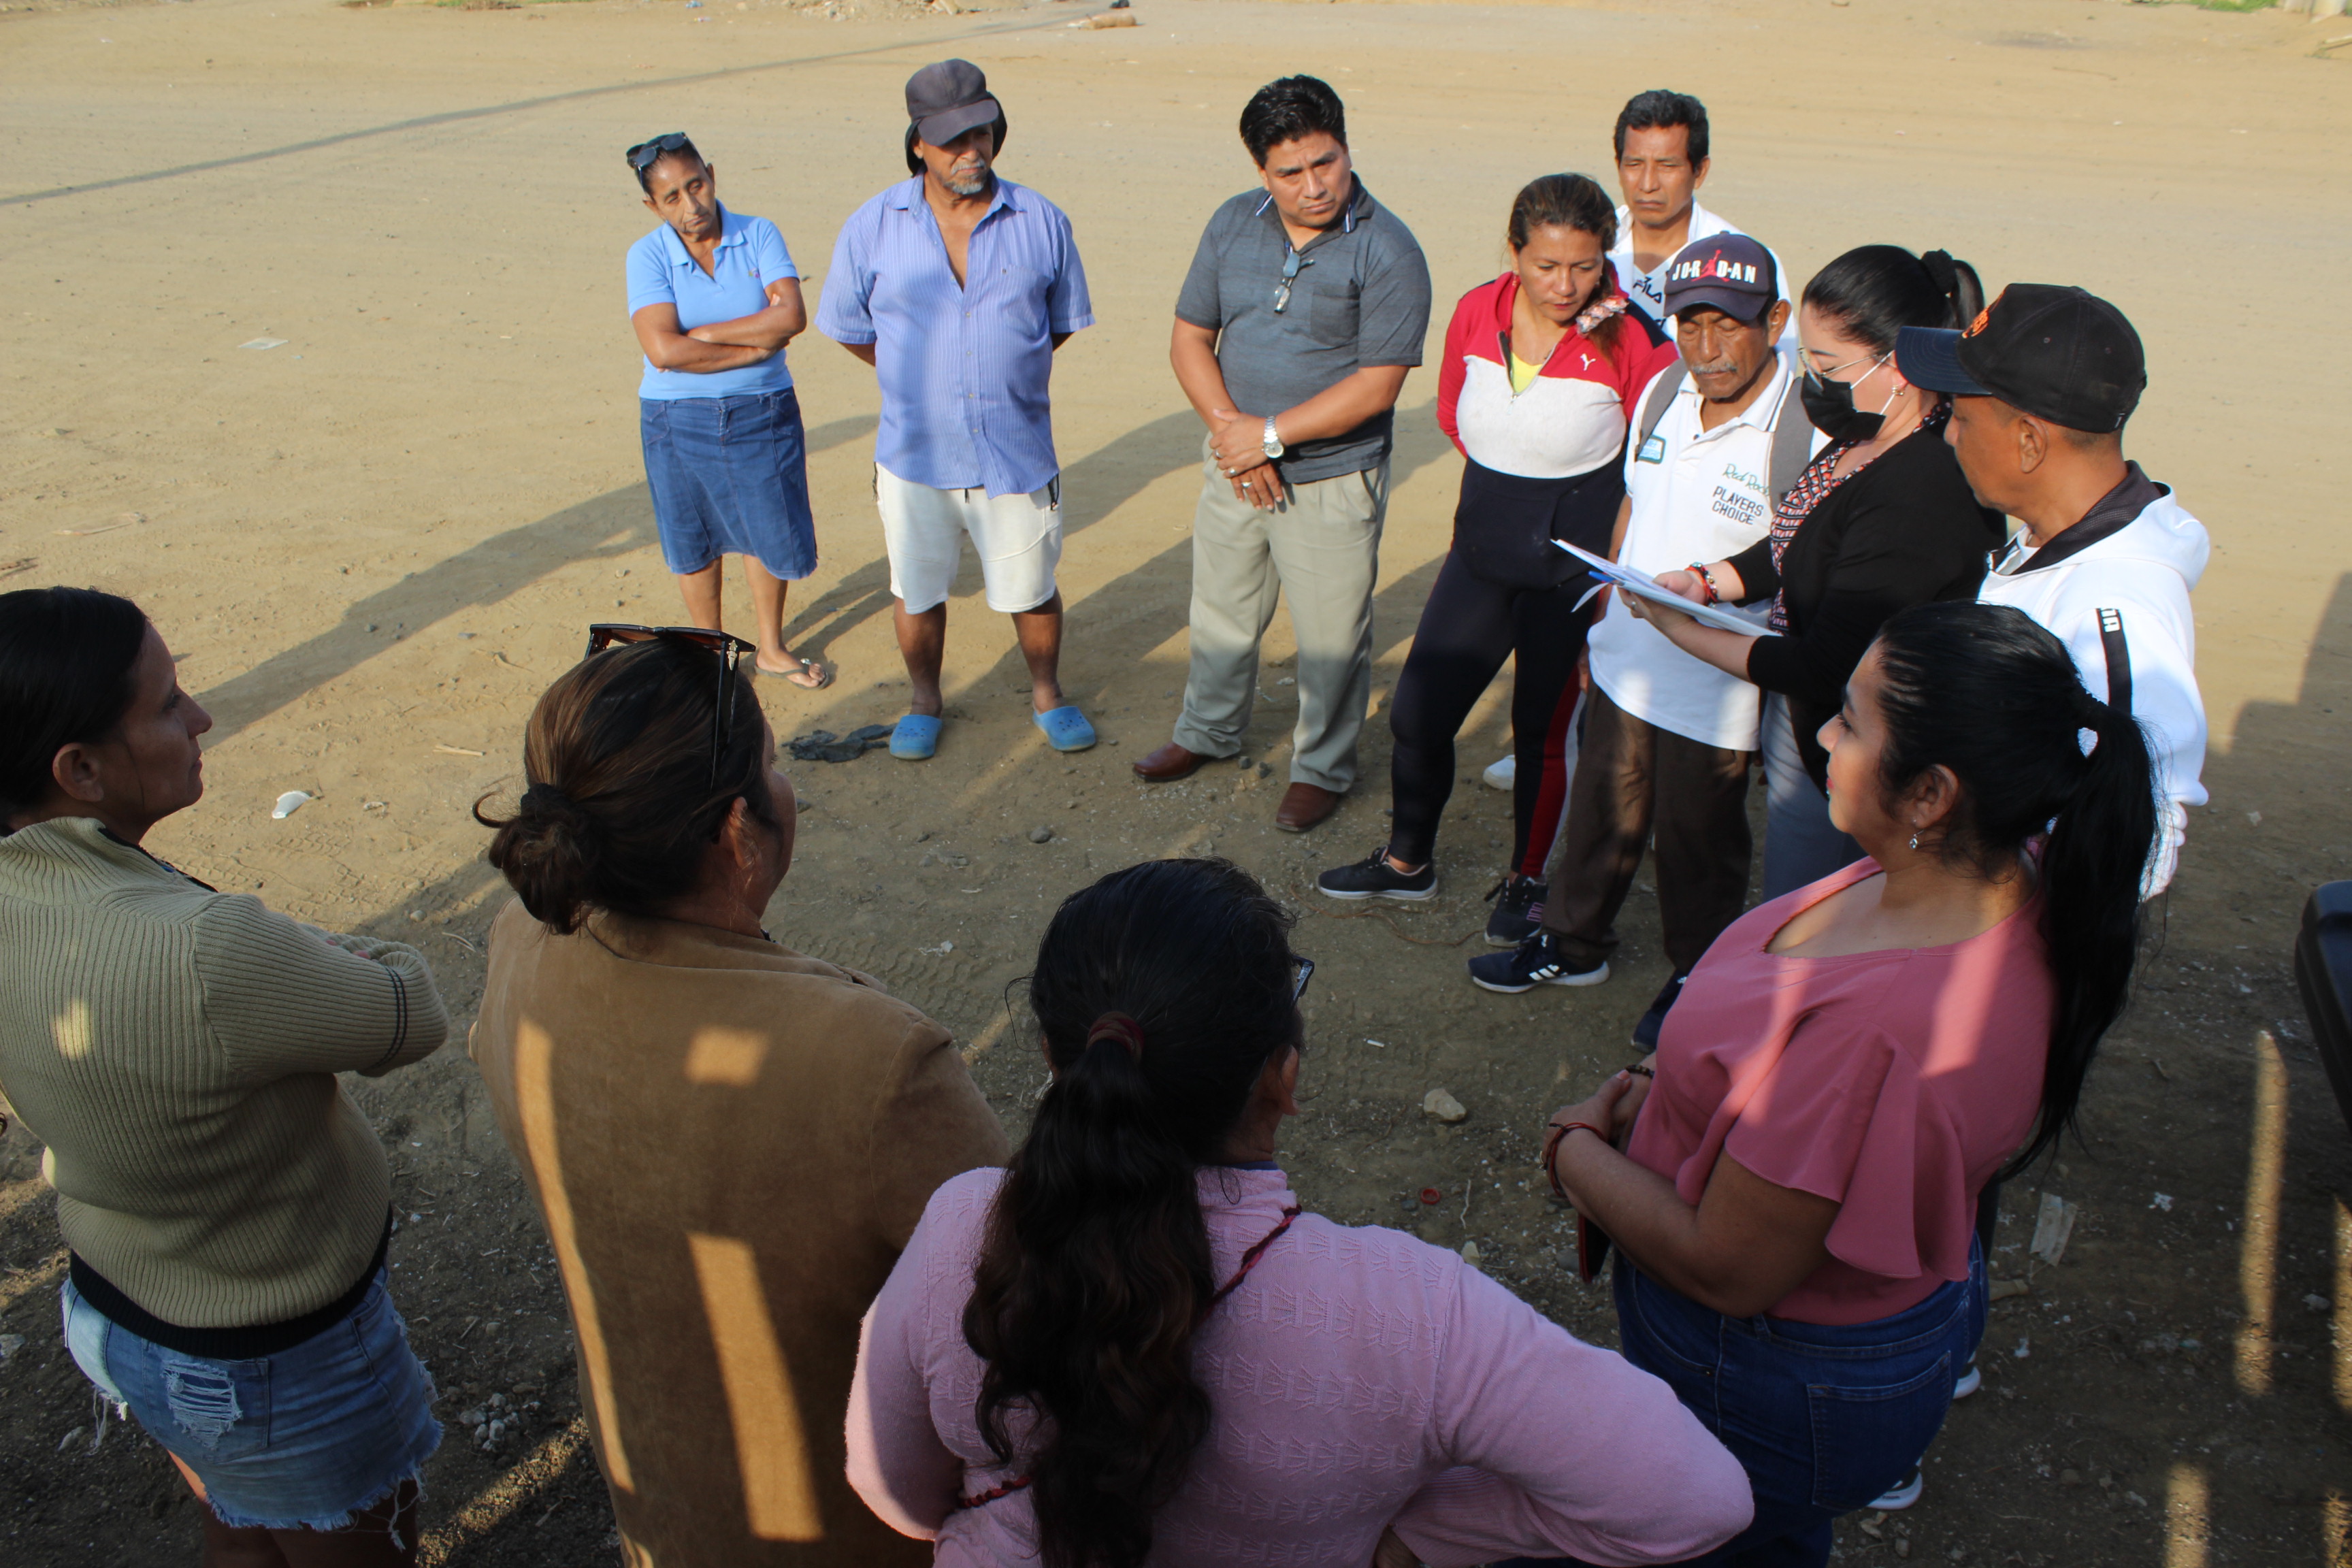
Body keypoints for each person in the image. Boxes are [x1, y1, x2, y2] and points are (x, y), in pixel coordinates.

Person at [845, 856, 1753, 1567]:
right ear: (1283, 1078)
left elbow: (894, 1492)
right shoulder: (1414, 1312)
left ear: (1053, 1058)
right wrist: (1423, 1529)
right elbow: (1698, 1500)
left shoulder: (965, 1228)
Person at [1534, 599, 2160, 1562]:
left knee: (1718, 1538)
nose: (1824, 734)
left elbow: (1729, 1266)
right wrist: (1673, 1080)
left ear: (1932, 795)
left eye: (1852, 722)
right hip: (1855, 1338)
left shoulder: (1875, 1028)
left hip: (1762, 1375)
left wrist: (1572, 1151)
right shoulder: (1998, 878)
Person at [470, 625, 1008, 1567]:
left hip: (656, 1492)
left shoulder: (522, 942)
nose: (785, 785)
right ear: (735, 832)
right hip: (833, 1530)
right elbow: (1026, 1299)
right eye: (773, 764)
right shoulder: (870, 1062)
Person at [0, 587, 449, 1567]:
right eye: (167, 704)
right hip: (271, 1354)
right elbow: (410, 1009)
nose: (201, 717)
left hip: (119, 1307)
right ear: (79, 769)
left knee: (241, 1534)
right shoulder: (209, 950)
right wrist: (299, 945)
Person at [1314, 174, 1676, 947]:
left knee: (1542, 735)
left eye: (1584, 267)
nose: (1565, 286)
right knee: (1416, 716)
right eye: (1546, 266)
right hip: (1481, 556)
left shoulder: (1636, 339)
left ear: (1605, 259)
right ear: (1514, 252)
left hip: (1571, 579)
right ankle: (1408, 861)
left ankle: (1528, 881)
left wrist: (1611, 584)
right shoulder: (1478, 310)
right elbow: (1455, 416)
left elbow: (1657, 469)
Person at [1469, 235, 1807, 1057]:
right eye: (1691, 325)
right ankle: (1573, 941)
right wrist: (1603, 622)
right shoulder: (1662, 390)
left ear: (1776, 322)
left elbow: (1797, 561)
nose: (1707, 348)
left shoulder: (1801, 426)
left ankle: (1698, 974)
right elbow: (1632, 504)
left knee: (1699, 838)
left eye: (1729, 327)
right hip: (1628, 657)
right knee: (1602, 809)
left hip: (1718, 680)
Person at [1627, 246, 2007, 900]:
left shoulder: (1922, 489)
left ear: (1898, 365)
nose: (1812, 381)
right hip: (1809, 731)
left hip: (1865, 755)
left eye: (1828, 366)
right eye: (1808, 360)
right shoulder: (1866, 434)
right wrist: (1707, 581)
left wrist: (1679, 629)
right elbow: (1796, 539)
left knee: (1811, 901)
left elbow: (1821, 665)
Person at [1133, 75, 1433, 834]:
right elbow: (1190, 337)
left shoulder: (1389, 249)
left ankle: (1322, 768)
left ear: (1345, 146)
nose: (1313, 186)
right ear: (1261, 171)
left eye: (1325, 162)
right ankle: (1207, 730)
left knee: (1332, 637)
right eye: (1290, 172)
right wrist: (1236, 435)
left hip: (1332, 477)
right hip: (1234, 459)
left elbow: (1378, 386)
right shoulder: (1233, 222)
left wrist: (1268, 437)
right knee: (1221, 608)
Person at [817, 60, 1097, 762]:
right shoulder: (872, 226)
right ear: (918, 144)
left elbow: (1058, 323)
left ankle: (1047, 694)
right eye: (952, 140)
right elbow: (849, 327)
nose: (972, 151)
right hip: (915, 455)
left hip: (1016, 450)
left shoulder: (1041, 221)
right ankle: (925, 701)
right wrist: (918, 377)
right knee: (917, 592)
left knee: (1032, 589)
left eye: (982, 133)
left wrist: (1004, 366)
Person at [1896, 283, 2206, 895]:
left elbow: (2139, 838)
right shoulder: (2050, 543)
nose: (1950, 436)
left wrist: (2001, 917)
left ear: (2030, 441)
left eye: (1961, 417)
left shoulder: (2111, 605)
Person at [626, 133, 832, 690]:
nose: (691, 205)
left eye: (696, 185)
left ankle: (771, 648)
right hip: (675, 419)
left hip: (763, 411)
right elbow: (663, 351)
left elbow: (791, 316)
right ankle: (710, 654)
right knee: (693, 539)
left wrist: (705, 334)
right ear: (653, 206)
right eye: (672, 197)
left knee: (766, 529)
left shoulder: (758, 233)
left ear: (712, 175)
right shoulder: (646, 256)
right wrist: (751, 349)